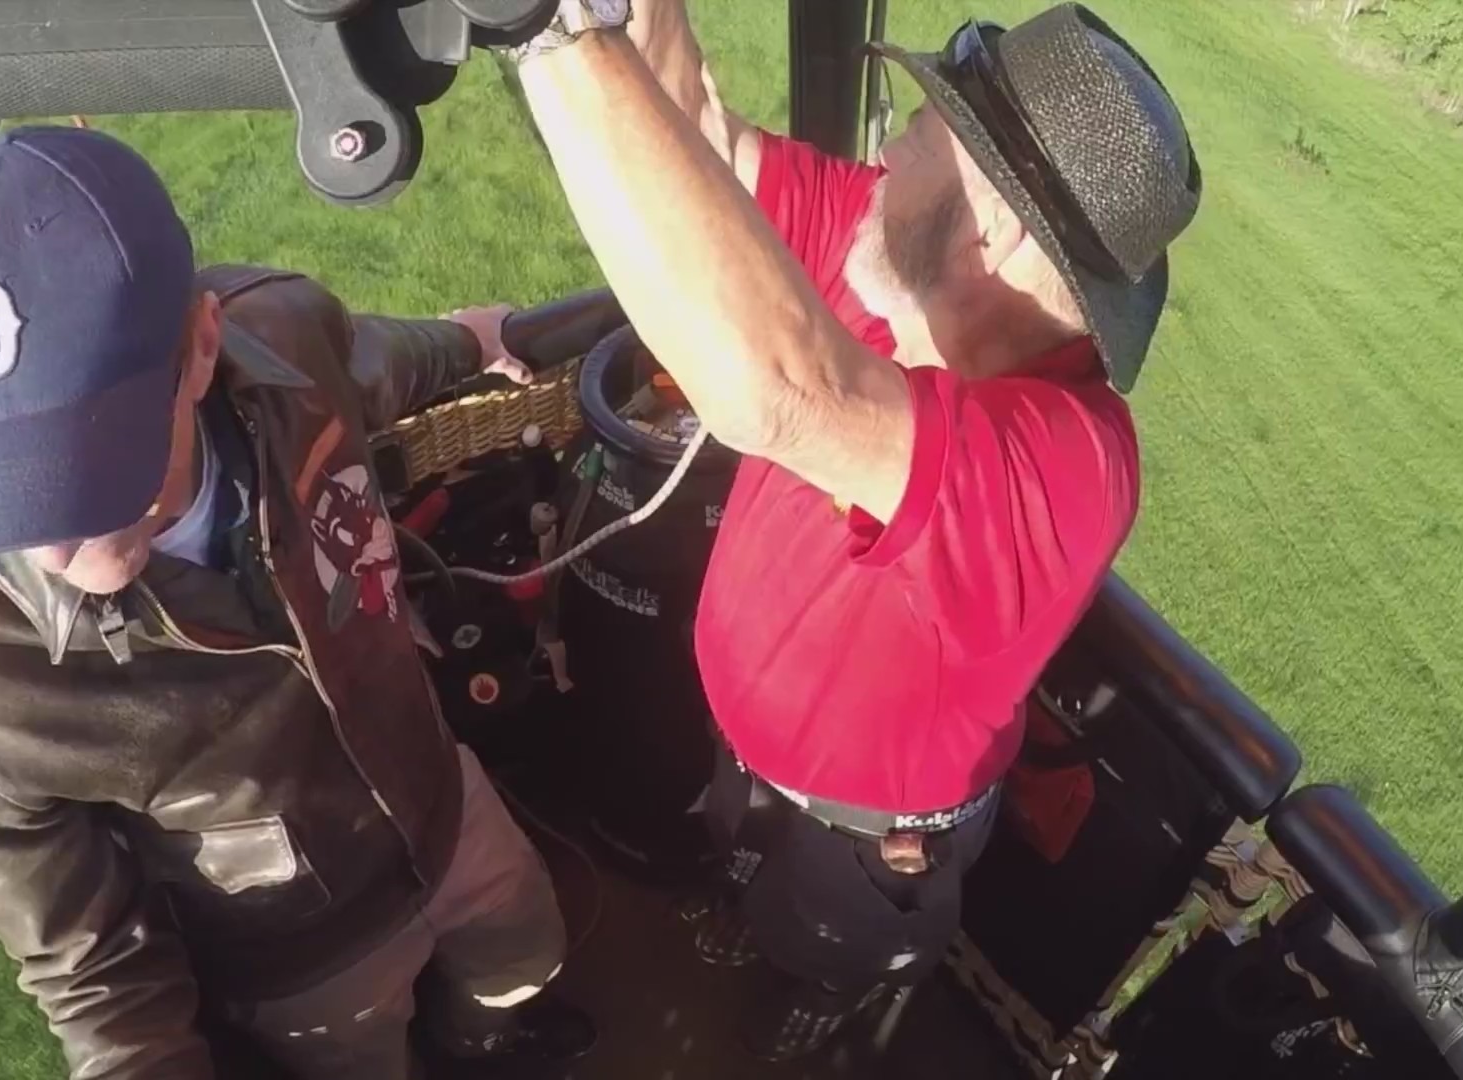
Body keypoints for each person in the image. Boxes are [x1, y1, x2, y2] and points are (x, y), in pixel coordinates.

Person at [476, 0, 1202, 1061]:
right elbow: (705, 155)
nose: (883, 149)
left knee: (816, 961)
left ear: (989, 223)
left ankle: (812, 1021)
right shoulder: (896, 267)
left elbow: (780, 394)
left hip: (856, 853)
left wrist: (541, 28)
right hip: (755, 767)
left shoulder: (1071, 464)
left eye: (915, 131)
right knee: (743, 868)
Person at [0, 125, 597, 1080]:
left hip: (443, 802)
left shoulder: (287, 341)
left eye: (89, 470)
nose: (49, 544)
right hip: (299, 964)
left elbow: (380, 360)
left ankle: (487, 1043)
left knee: (523, 951)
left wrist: (483, 339)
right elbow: (91, 969)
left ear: (202, 347)